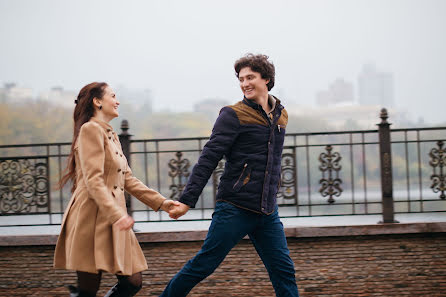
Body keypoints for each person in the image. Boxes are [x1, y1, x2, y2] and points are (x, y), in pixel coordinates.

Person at [163, 54, 299, 296]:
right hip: (235, 207)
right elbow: (209, 157)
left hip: (267, 210)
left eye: (250, 77)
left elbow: (273, 161)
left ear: (266, 79)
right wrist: (186, 200)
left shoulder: (281, 116)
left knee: (284, 271)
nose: (245, 83)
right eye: (241, 79)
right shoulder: (233, 114)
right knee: (204, 265)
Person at [54, 82, 180, 297]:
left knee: (133, 281)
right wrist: (117, 215)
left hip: (114, 217)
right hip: (92, 215)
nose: (117, 100)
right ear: (97, 101)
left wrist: (161, 202)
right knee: (88, 290)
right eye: (113, 96)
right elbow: (94, 180)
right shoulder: (90, 129)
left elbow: (127, 179)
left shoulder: (110, 134)